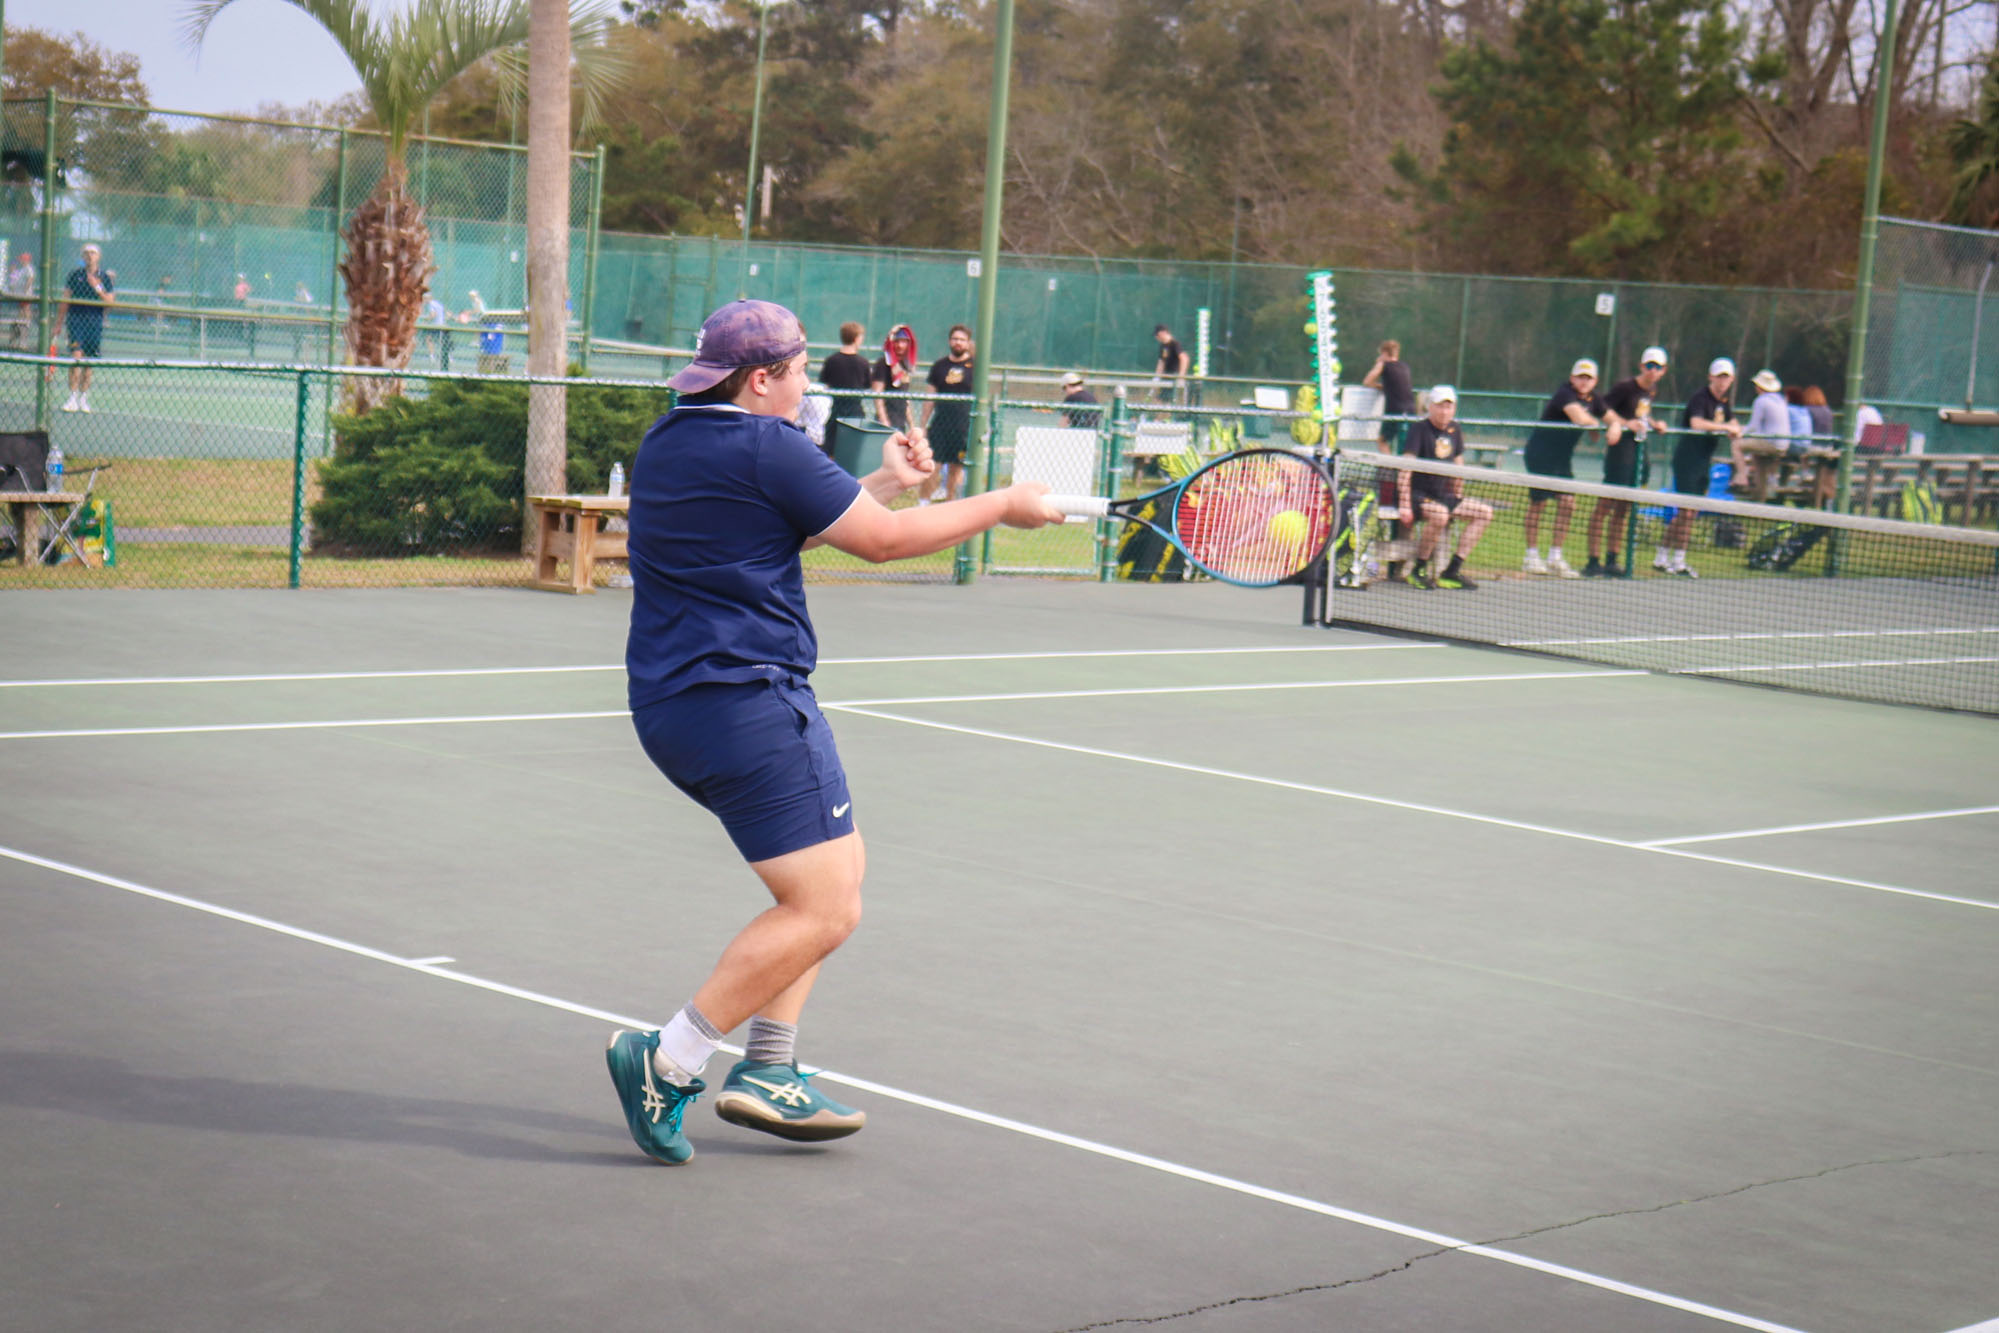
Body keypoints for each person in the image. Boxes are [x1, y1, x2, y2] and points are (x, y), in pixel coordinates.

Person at [608, 299, 1060, 1165]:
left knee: (836, 871)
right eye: (796, 370)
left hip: (673, 707)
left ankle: (769, 1067)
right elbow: (883, 545)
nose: (805, 383)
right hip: (748, 703)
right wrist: (1002, 503)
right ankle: (669, 1059)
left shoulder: (671, 440)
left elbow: (783, 523)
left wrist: (884, 480)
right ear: (760, 378)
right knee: (826, 903)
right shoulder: (767, 445)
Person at [1584, 346, 1668, 577]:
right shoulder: (1624, 387)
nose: (1653, 370)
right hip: (1619, 453)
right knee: (1605, 507)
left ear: (1663, 371)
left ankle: (1612, 560)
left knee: (1624, 508)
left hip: (1637, 452)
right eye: (1649, 366)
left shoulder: (1650, 391)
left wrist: (1654, 423)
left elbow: (1640, 415)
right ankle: (1593, 561)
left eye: (1658, 367)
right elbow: (1602, 408)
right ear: (1642, 366)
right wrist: (1622, 424)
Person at [1397, 384, 1492, 590]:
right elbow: (1405, 467)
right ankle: (1419, 569)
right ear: (1430, 407)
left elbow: (1459, 465)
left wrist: (1458, 493)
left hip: (1444, 495)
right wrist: (1404, 503)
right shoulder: (1419, 430)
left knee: (1484, 513)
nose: (1444, 411)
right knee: (1440, 515)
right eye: (1440, 406)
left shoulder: (1455, 429)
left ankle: (1452, 571)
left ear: (1454, 409)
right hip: (1418, 495)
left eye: (1449, 407)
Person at [1657, 357, 1744, 577]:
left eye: (1727, 377)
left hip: (1704, 462)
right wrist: (1726, 427)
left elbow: (1733, 424)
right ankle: (1676, 560)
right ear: (1711, 377)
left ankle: (1664, 557)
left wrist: (1734, 428)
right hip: (1688, 460)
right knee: (1687, 511)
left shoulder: (1723, 402)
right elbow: (1697, 424)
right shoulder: (1700, 398)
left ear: (1732, 379)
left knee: (1690, 513)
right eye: (1719, 376)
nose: (1723, 381)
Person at [1520, 358, 1606, 578]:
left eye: (1588, 378)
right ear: (1572, 378)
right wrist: (1596, 424)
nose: (1584, 381)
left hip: (1561, 459)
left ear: (1595, 381)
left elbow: (1610, 417)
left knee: (1568, 504)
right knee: (1539, 504)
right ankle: (1531, 557)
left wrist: (1613, 424)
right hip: (1540, 454)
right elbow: (1579, 417)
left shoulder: (1595, 399)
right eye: (1580, 377)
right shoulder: (1564, 394)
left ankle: (1555, 557)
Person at [55, 243, 114, 413]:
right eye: (87, 253)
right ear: (83, 256)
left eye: (93, 253)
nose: (90, 256)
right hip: (76, 322)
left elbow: (110, 301)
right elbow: (65, 300)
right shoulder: (74, 275)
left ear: (98, 256)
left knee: (89, 362)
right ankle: (72, 397)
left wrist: (97, 286)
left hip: (94, 323)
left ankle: (83, 398)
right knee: (76, 358)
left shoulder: (105, 277)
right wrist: (58, 324)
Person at [921, 323, 976, 503]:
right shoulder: (939, 366)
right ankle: (923, 503)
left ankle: (950, 504)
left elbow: (981, 398)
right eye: (955, 339)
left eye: (962, 339)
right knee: (932, 466)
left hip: (963, 426)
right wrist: (922, 425)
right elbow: (930, 398)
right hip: (940, 425)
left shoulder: (975, 368)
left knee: (956, 469)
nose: (958, 343)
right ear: (949, 341)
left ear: (968, 343)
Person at [818, 321, 873, 441]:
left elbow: (825, 383)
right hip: (855, 413)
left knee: (832, 448)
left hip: (836, 411)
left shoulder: (831, 360)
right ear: (856, 338)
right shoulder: (863, 363)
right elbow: (867, 385)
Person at [1362, 340, 1417, 457]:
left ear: (1385, 353)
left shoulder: (1383, 365)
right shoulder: (1404, 366)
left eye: (1381, 354)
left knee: (1384, 442)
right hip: (1411, 411)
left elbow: (1367, 381)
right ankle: (1397, 469)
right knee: (1403, 446)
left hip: (1396, 411)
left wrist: (1378, 384)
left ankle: (1392, 469)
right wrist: (1385, 387)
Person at [871, 324, 917, 434]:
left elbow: (905, 399)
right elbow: (877, 395)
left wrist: (912, 425)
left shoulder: (905, 366)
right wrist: (884, 421)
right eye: (897, 341)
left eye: (904, 341)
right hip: (885, 425)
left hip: (900, 424)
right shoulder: (883, 364)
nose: (900, 345)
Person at [1745, 369, 1789, 460]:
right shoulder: (1781, 400)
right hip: (1784, 444)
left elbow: (1754, 426)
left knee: (1736, 445)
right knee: (1757, 447)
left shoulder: (1760, 400)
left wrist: (1740, 432)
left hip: (1771, 443)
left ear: (1759, 386)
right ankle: (1759, 474)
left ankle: (1741, 473)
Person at [3, 249, 34, 349]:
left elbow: (30, 279)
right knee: (21, 311)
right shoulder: (22, 269)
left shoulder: (28, 268)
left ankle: (26, 322)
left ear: (26, 260)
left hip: (25, 295)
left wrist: (25, 290)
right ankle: (22, 322)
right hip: (20, 294)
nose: (21, 261)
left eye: (22, 259)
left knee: (25, 309)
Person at [1152, 323, 1189, 402]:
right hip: (1166, 378)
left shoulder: (1175, 344)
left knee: (1165, 401)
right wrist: (1157, 376)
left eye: (1157, 335)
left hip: (1173, 378)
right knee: (1159, 400)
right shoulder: (1163, 346)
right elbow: (1161, 362)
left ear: (1163, 333)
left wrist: (1181, 376)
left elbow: (1184, 359)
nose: (1156, 337)